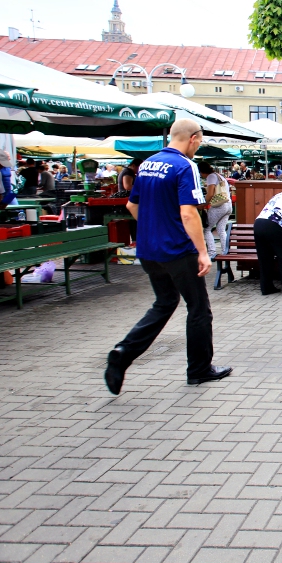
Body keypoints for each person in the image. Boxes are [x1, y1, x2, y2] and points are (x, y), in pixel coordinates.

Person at [105, 119, 231, 395]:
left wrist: (153, 228)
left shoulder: (148, 163)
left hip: (149, 249)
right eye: (199, 142)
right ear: (194, 139)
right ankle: (198, 370)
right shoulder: (185, 166)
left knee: (164, 302)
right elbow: (188, 213)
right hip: (177, 249)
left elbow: (131, 204)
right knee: (198, 309)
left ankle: (123, 352)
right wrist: (202, 252)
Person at [198, 161, 232, 259]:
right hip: (228, 205)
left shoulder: (211, 177)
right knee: (221, 229)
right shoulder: (219, 176)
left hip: (219, 206)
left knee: (207, 229)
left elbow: (210, 194)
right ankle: (225, 251)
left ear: (202, 171)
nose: (201, 176)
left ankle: (211, 252)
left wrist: (203, 204)